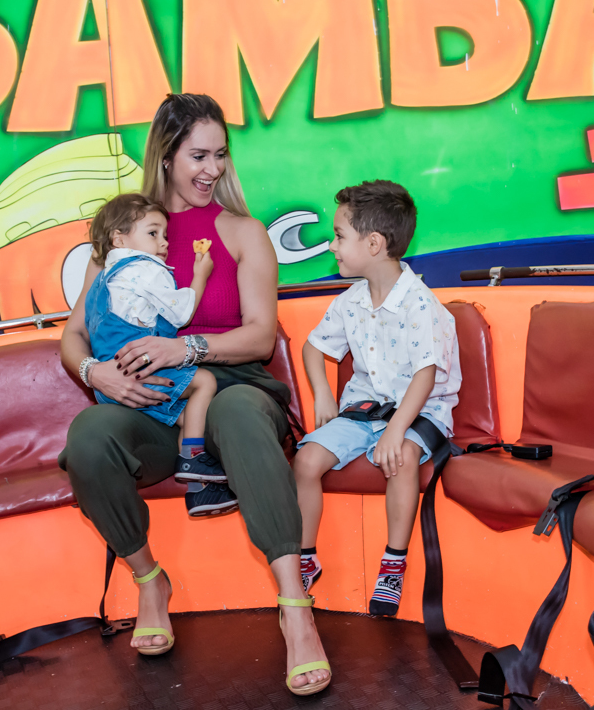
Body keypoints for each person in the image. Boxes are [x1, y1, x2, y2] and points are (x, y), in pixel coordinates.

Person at [59, 94, 331, 696]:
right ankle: (148, 578)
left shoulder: (242, 232)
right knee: (89, 435)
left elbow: (261, 337)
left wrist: (187, 349)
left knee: (233, 410)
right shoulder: (127, 237)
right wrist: (95, 375)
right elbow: (74, 337)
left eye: (220, 155)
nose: (212, 169)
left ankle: (296, 609)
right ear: (166, 155)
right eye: (198, 155)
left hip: (235, 387)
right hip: (158, 408)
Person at [293, 181, 461, 616]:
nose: (332, 246)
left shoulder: (420, 304)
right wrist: (324, 396)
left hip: (420, 409)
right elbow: (314, 347)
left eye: (339, 236)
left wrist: (397, 430)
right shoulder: (351, 300)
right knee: (307, 460)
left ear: (373, 243)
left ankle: (393, 562)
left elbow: (426, 375)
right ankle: (306, 557)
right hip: (366, 410)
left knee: (401, 457)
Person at [83, 192, 218, 469]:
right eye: (153, 233)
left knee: (186, 414)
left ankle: (198, 472)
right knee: (205, 382)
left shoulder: (104, 279)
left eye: (164, 234)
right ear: (119, 239)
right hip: (141, 369)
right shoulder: (146, 269)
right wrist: (200, 275)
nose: (164, 242)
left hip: (111, 380)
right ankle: (193, 461)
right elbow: (181, 313)